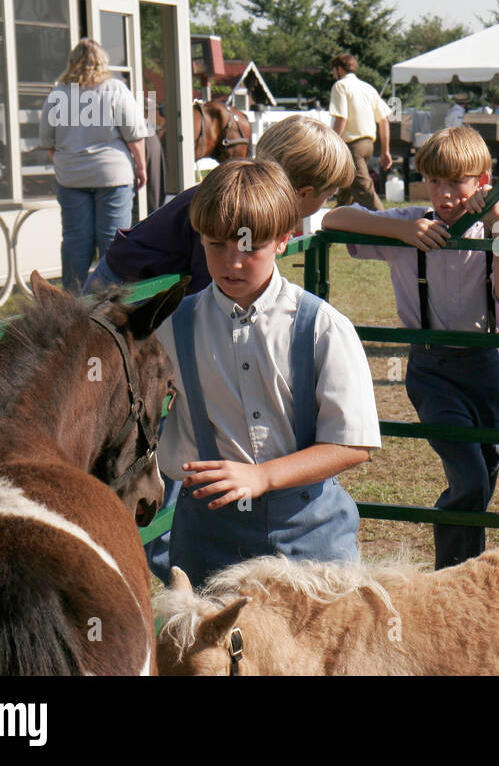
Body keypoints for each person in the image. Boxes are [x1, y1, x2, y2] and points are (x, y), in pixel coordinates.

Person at [156, 159, 382, 584]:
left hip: (309, 538)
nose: (231, 263)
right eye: (215, 245)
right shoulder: (172, 327)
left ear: (283, 239)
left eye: (249, 247)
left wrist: (262, 476)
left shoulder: (322, 327)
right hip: (207, 538)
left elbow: (354, 444)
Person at [320, 126, 499, 570]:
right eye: (434, 182)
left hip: (489, 368)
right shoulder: (413, 222)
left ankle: (467, 572)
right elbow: (333, 220)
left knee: (483, 477)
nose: (445, 194)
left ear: (483, 180)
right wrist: (401, 230)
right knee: (467, 476)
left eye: (457, 182)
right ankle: (453, 573)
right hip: (432, 371)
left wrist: (498, 224)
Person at [86, 114, 353, 297]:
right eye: (327, 196)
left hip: (141, 287)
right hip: (122, 292)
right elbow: (212, 298)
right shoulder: (233, 206)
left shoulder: (243, 198)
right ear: (303, 194)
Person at [39, 38, 150, 291]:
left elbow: (48, 143)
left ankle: (73, 302)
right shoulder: (114, 89)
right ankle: (111, 300)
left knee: (75, 241)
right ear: (102, 61)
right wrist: (141, 167)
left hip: (71, 178)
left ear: (72, 63)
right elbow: (134, 135)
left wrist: (68, 162)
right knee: (113, 242)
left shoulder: (58, 94)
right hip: (112, 175)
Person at [328, 53, 393, 210]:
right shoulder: (368, 88)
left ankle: (386, 223)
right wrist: (386, 151)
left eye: (333, 70)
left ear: (339, 69)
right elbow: (384, 120)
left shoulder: (340, 86)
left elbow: (341, 118)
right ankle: (340, 223)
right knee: (347, 188)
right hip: (368, 145)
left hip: (352, 146)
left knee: (364, 190)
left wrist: (332, 143)